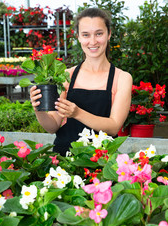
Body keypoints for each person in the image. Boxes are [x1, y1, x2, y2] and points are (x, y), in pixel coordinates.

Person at [29, 7, 132, 156]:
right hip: (64, 159)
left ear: (109, 34)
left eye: (99, 34)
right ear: (78, 37)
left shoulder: (121, 78)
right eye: (86, 35)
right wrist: (38, 108)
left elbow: (114, 127)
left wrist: (77, 113)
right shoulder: (66, 75)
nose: (92, 41)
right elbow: (52, 126)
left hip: (101, 162)